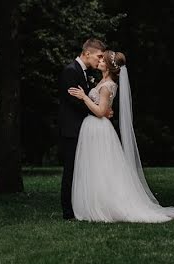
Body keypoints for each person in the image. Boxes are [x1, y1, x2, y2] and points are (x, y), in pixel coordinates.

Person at [67, 51, 174, 223]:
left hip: (98, 128)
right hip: (93, 128)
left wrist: (84, 97)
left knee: (102, 167)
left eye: (103, 60)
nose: (99, 61)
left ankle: (104, 206)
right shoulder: (103, 81)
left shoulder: (107, 86)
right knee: (95, 167)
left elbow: (100, 112)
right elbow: (105, 109)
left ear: (107, 66)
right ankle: (94, 203)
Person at [58, 38, 106, 220]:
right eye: (98, 56)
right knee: (70, 169)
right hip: (72, 129)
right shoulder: (71, 71)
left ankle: (80, 206)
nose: (100, 60)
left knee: (81, 169)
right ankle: (68, 211)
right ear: (87, 53)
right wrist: (98, 112)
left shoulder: (85, 72)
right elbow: (74, 102)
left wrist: (101, 109)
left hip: (83, 128)